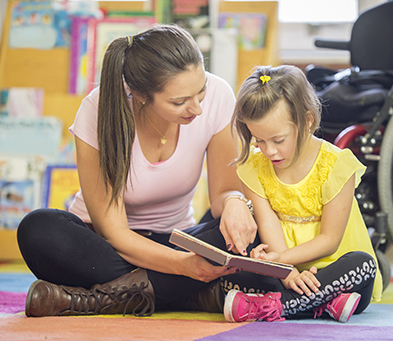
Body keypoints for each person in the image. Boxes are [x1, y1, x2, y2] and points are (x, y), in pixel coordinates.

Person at [16, 24, 257, 317]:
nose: (197, 109)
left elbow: (223, 193)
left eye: (201, 91)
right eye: (179, 102)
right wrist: (182, 267)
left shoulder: (219, 95)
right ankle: (181, 292)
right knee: (39, 229)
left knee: (248, 230)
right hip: (107, 248)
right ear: (141, 95)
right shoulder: (97, 109)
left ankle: (101, 298)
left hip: (176, 238)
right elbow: (115, 233)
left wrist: (235, 203)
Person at [221, 65, 383, 323]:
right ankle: (321, 304)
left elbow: (330, 240)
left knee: (363, 265)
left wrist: (281, 260)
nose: (269, 151)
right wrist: (286, 272)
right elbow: (267, 223)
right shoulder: (253, 165)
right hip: (283, 273)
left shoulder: (337, 164)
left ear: (306, 121)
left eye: (278, 140)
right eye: (259, 141)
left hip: (334, 270)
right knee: (233, 270)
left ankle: (269, 308)